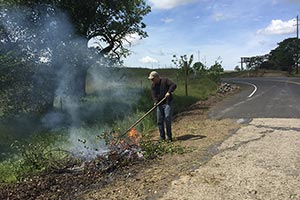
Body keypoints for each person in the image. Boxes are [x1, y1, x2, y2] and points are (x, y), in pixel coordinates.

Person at [148, 71, 177, 142]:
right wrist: (155, 102)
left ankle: (169, 137)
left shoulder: (165, 81)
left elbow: (173, 85)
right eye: (151, 79)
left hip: (167, 103)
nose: (152, 80)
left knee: (167, 118)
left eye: (153, 79)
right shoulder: (153, 86)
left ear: (157, 77)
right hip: (160, 104)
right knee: (159, 121)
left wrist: (169, 92)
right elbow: (154, 95)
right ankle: (162, 137)